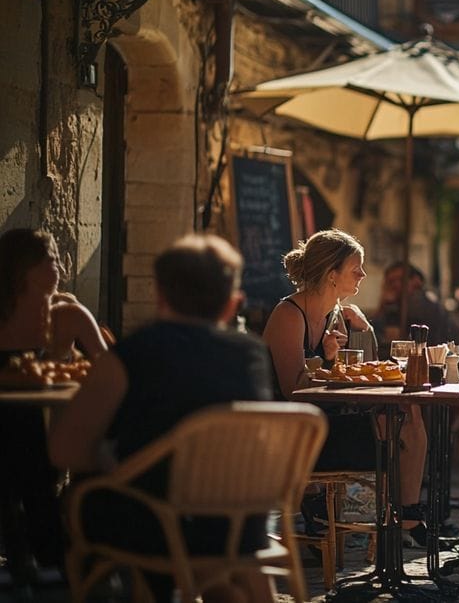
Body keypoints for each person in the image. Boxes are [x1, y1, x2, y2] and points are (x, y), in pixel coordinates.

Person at [48, 234, 274, 603]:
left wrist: (111, 460)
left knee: (89, 491)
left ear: (160, 295)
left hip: (157, 526)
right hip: (239, 526)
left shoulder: (133, 354)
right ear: (233, 304)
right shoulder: (253, 355)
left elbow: (64, 451)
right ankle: (212, 585)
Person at [262, 230, 429, 537]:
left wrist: (364, 329)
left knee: (408, 412)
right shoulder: (289, 315)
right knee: (397, 423)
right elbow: (292, 390)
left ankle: (406, 511)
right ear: (332, 274)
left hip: (326, 422)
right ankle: (398, 515)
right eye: (356, 269)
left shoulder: (335, 315)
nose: (363, 274)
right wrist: (326, 360)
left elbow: (364, 370)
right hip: (295, 435)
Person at [0, 228, 105, 586]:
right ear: (21, 268)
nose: (60, 266)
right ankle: (37, 552)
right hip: (22, 429)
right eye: (51, 259)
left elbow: (110, 370)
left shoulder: (68, 314)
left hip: (56, 428)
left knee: (25, 444)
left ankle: (35, 552)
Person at [371, 261, 459, 347]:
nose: (395, 285)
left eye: (400, 280)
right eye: (391, 282)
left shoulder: (420, 301)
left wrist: (389, 306)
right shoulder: (398, 303)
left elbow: (397, 338)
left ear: (416, 281)